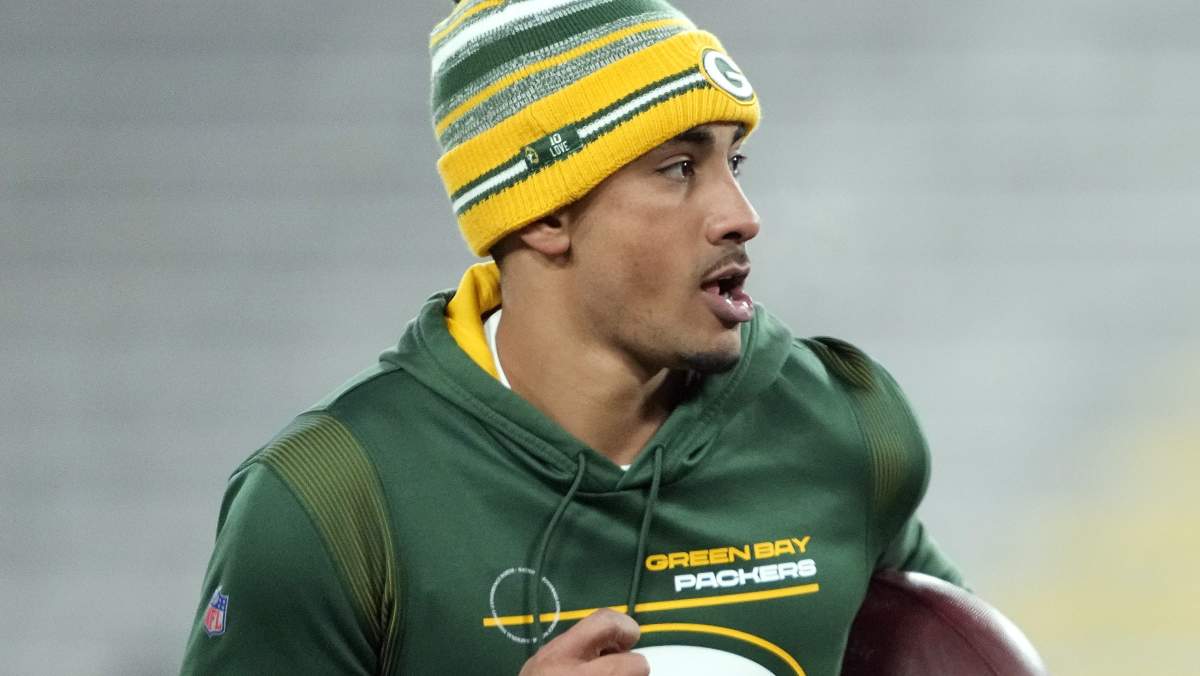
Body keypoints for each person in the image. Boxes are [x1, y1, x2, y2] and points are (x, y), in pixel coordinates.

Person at [181, 0, 964, 674]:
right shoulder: (331, 501)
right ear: (547, 212)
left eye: (735, 160)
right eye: (679, 168)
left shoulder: (841, 425)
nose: (741, 214)